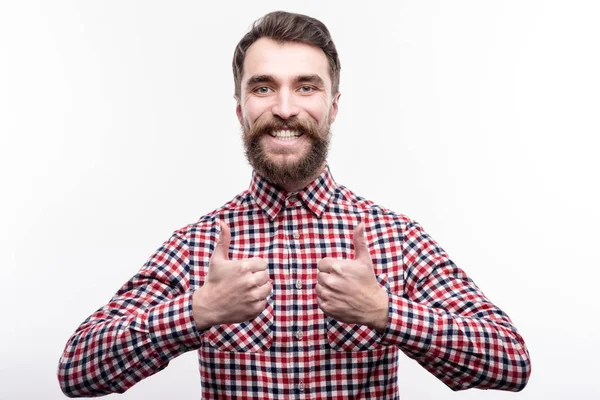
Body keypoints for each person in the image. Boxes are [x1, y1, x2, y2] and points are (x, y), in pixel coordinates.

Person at [58, 11, 531, 399]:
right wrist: (197, 310)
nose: (285, 108)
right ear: (241, 108)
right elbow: (76, 371)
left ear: (334, 106)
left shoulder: (396, 237)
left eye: (306, 87)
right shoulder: (199, 245)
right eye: (263, 88)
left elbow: (511, 362)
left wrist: (385, 311)